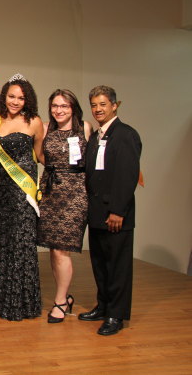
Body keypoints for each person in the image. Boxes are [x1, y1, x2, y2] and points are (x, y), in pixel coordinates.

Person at [79, 85, 141, 336]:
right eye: (94, 105)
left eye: (103, 104)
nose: (98, 109)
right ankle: (103, 306)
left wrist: (118, 211)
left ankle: (116, 315)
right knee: (100, 264)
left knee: (118, 267)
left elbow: (127, 177)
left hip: (116, 215)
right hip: (96, 212)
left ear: (115, 105)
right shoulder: (95, 136)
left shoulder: (126, 135)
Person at [0, 73, 44, 321]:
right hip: (0, 189)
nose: (16, 101)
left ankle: (22, 304)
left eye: (21, 97)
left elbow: (40, 156)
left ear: (27, 99)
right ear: (4, 96)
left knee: (22, 244)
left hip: (22, 192)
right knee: (3, 244)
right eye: (11, 96)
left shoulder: (35, 122)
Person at [37, 89, 92, 323]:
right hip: (50, 191)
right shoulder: (46, 127)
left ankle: (60, 302)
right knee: (53, 248)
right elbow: (40, 156)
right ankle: (64, 298)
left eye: (64, 106)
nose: (59, 110)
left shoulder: (85, 128)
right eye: (55, 106)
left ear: (73, 108)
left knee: (62, 250)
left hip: (76, 193)